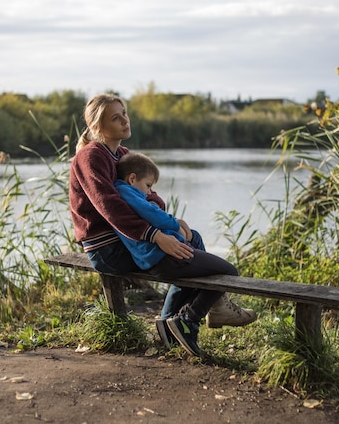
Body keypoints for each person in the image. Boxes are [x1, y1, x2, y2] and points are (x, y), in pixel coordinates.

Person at [68, 93, 256, 356]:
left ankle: (170, 328)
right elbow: (109, 206)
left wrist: (170, 223)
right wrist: (154, 234)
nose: (125, 120)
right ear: (98, 127)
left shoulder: (121, 154)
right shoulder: (91, 156)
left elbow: (151, 196)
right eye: (115, 117)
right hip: (110, 248)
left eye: (124, 112)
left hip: (131, 241)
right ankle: (188, 320)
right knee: (215, 268)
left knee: (192, 241)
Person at [113, 151, 256, 356]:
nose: (149, 192)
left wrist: (181, 230)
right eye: (148, 186)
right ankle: (188, 320)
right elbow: (152, 214)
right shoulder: (127, 192)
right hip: (165, 258)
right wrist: (175, 224)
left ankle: (168, 324)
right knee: (228, 272)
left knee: (195, 238)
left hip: (158, 258)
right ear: (132, 178)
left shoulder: (125, 191)